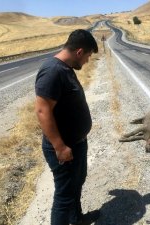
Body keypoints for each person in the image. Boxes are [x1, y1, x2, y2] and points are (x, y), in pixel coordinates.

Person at [35, 29, 99, 225]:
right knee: (64, 196)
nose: (87, 61)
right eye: (87, 56)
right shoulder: (53, 71)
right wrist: (60, 147)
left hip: (76, 143)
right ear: (79, 52)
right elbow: (42, 111)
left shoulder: (65, 68)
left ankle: (77, 218)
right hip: (63, 147)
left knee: (76, 184)